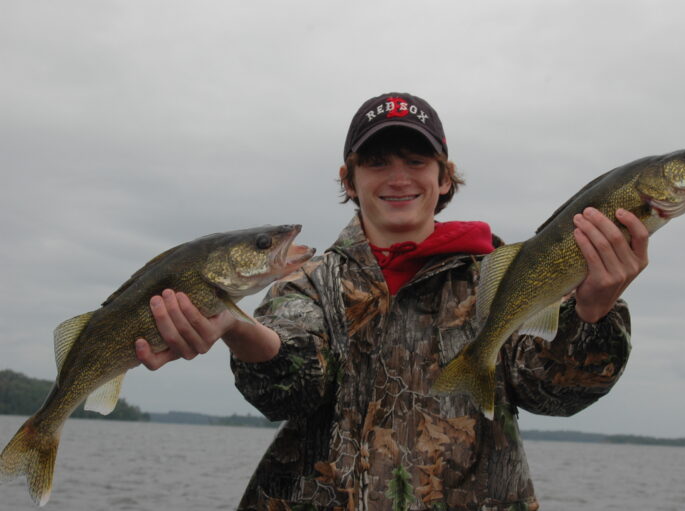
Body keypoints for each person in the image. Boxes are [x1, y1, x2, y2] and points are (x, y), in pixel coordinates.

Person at [135, 92, 649, 510]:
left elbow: (553, 393)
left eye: (416, 160)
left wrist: (594, 312)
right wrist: (239, 329)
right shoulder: (306, 281)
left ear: (443, 177)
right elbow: (288, 391)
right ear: (349, 180)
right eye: (377, 162)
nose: (398, 177)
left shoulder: (502, 273)